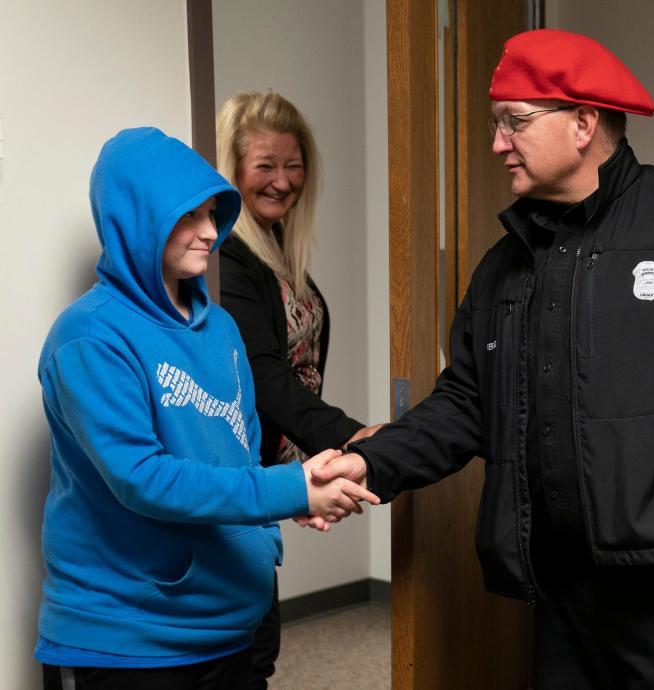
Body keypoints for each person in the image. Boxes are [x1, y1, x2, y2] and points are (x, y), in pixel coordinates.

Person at [312, 29, 654, 688]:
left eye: (515, 122)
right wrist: (367, 462)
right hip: (565, 599)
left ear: (583, 122)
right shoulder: (504, 265)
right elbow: (466, 404)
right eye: (497, 124)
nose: (497, 143)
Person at [35, 127, 377, 690]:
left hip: (228, 627)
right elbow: (142, 479)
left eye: (213, 213)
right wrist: (290, 488)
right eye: (187, 217)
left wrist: (282, 503)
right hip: (129, 643)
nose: (210, 232)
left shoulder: (220, 326)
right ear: (137, 223)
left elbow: (237, 457)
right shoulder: (89, 337)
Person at [214, 91, 382, 688]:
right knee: (249, 648)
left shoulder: (276, 245)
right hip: (232, 481)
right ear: (231, 169)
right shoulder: (226, 259)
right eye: (265, 165)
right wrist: (350, 437)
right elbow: (263, 376)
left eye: (294, 164)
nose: (283, 181)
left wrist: (306, 473)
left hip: (264, 479)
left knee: (258, 648)